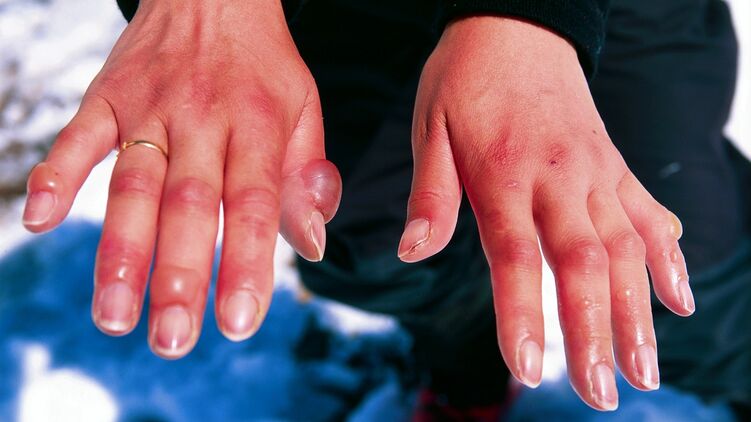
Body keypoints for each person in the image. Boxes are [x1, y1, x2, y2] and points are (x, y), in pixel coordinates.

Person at [19, 0, 749, 419]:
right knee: (389, 244)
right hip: (334, 17)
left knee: (672, 231)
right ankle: (466, 379)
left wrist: (528, 14)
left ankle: (725, 384)